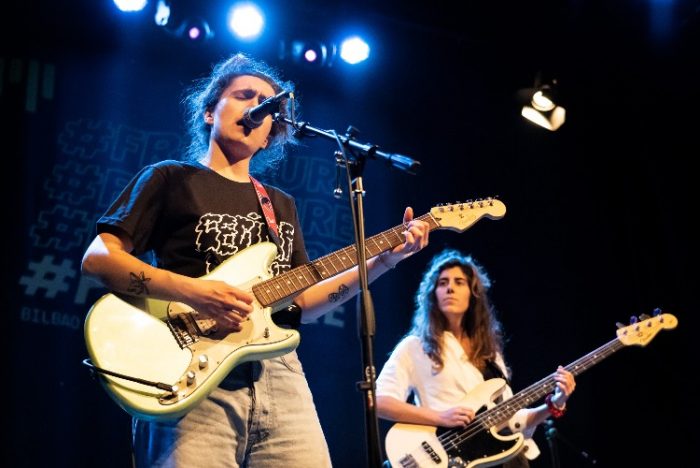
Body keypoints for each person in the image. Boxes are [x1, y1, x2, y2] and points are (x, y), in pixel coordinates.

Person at [81, 52, 429, 467]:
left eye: (267, 105)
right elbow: (99, 259)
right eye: (244, 95)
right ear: (210, 112)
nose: (257, 108)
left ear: (268, 136)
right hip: (191, 373)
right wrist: (195, 292)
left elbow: (302, 302)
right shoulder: (170, 178)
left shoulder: (279, 204)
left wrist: (384, 261)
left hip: (280, 376)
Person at [375, 249, 575, 468]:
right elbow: (379, 402)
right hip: (444, 457)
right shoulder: (415, 346)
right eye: (442, 283)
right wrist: (440, 417)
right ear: (433, 293)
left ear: (473, 294)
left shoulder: (490, 354)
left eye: (459, 282)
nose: (450, 288)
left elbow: (511, 419)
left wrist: (555, 403)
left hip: (496, 459)